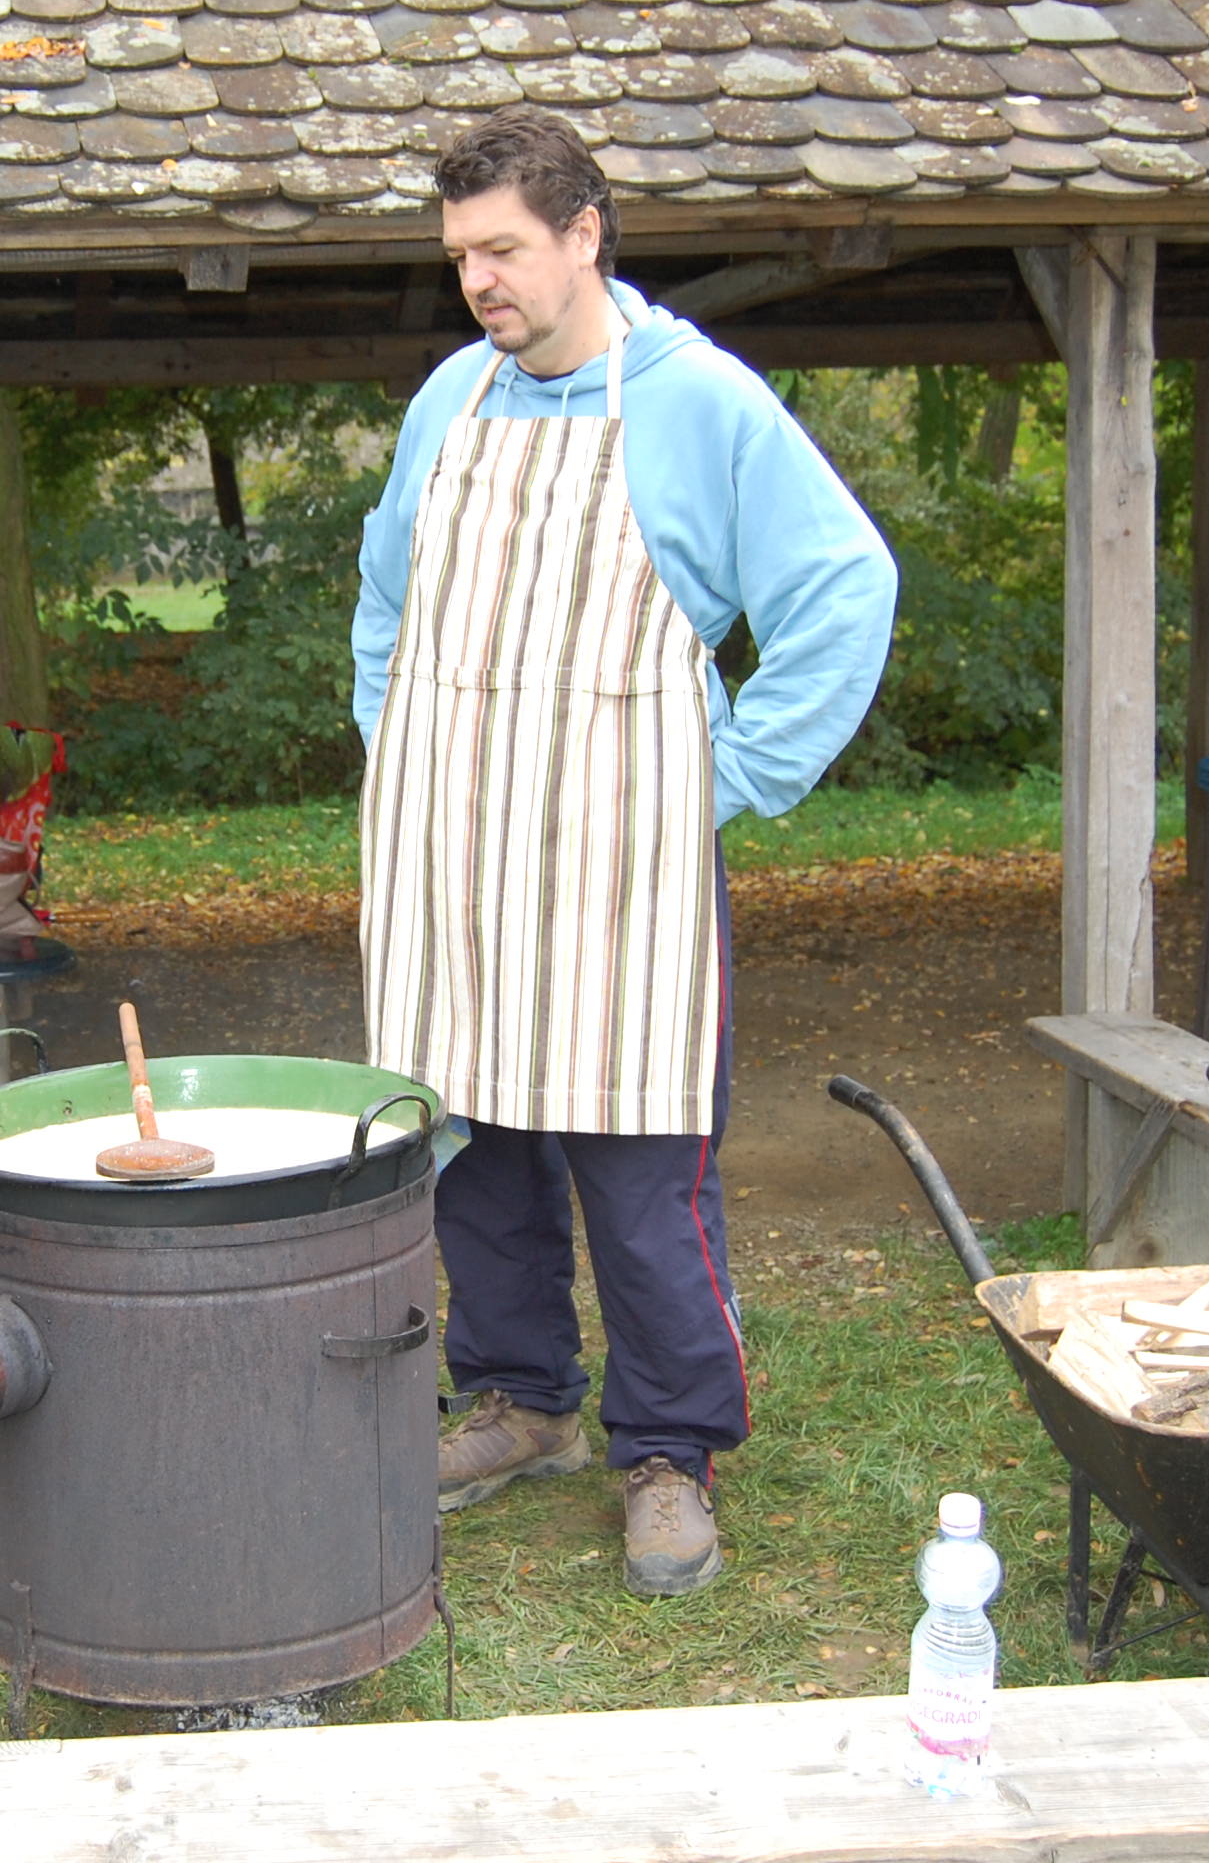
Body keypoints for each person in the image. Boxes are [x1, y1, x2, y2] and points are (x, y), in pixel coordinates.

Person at [353, 111, 898, 1598]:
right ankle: (520, 1398)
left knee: (644, 1172)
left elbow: (844, 587)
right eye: (459, 256)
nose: (478, 280)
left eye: (502, 249)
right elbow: (385, 597)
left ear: (585, 234)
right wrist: (392, 745)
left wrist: (731, 777)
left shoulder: (701, 404)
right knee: (470, 1152)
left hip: (623, 873)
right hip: (452, 858)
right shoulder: (450, 400)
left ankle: (667, 1450)